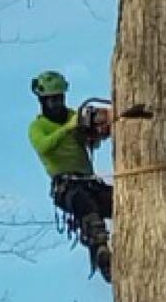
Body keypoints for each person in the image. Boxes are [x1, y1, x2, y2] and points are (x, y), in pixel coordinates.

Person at [28, 71, 113, 282]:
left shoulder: (73, 116)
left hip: (90, 182)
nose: (57, 104)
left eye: (59, 98)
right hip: (67, 187)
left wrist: (97, 131)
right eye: (52, 100)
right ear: (42, 101)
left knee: (120, 201)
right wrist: (69, 127)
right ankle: (100, 248)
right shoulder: (37, 127)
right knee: (84, 204)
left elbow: (89, 139)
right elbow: (44, 146)